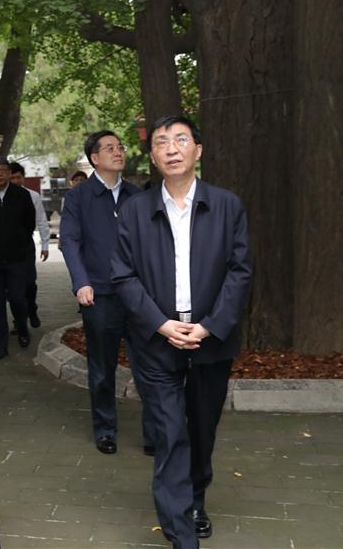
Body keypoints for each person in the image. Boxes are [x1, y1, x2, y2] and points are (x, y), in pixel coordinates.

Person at [111, 115, 251, 548]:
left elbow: (240, 272)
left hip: (211, 339)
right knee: (169, 432)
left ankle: (196, 499)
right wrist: (161, 323)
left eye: (180, 140)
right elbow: (123, 276)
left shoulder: (227, 205)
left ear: (198, 150)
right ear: (152, 156)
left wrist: (209, 327)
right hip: (156, 342)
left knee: (202, 429)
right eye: (161, 143)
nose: (171, 148)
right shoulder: (134, 210)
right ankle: (180, 530)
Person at [59, 131, 144, 456]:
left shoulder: (137, 197)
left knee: (149, 366)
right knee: (102, 368)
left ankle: (154, 432)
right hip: (99, 295)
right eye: (110, 148)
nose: (118, 152)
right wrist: (81, 282)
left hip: (138, 296)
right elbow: (70, 241)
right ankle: (105, 429)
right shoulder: (79, 198)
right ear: (94, 158)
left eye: (120, 147)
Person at [0, 156, 36, 359]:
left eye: (3, 170)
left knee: (18, 299)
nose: (0, 174)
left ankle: (22, 329)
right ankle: (0, 345)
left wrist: (19, 244)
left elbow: (29, 225)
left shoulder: (22, 195)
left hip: (16, 259)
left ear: (10, 173)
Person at [9, 161, 49, 329]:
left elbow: (41, 220)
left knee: (29, 283)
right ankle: (19, 321)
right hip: (7, 248)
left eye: (18, 177)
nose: (15, 181)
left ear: (23, 178)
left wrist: (45, 244)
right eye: (12, 178)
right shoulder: (4, 198)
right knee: (13, 287)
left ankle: (32, 310)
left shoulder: (33, 196)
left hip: (26, 245)